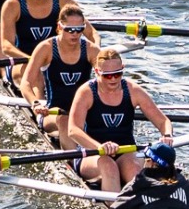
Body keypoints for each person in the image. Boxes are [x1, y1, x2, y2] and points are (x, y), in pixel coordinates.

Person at [65, 46, 174, 194]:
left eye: (118, 74)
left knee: (135, 170)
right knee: (109, 166)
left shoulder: (133, 90)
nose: (113, 79)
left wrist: (167, 135)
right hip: (92, 153)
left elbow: (163, 122)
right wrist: (100, 147)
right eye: (107, 76)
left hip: (126, 150)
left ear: (123, 69)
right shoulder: (86, 92)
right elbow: (73, 130)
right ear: (97, 72)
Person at [19, 1, 98, 143]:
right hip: (51, 111)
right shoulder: (46, 48)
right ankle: (74, 162)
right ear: (59, 28)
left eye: (79, 29)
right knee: (64, 120)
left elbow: (107, 80)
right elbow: (25, 83)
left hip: (82, 112)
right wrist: (35, 103)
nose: (75, 34)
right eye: (69, 29)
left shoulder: (91, 50)